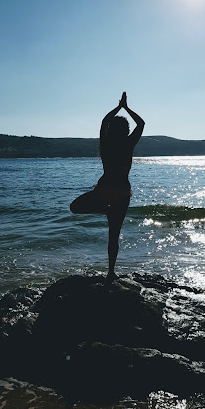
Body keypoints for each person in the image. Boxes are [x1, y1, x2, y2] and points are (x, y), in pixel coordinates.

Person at [70, 92, 145, 281]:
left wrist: (118, 107)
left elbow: (104, 122)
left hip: (105, 191)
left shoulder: (107, 144)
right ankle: (111, 272)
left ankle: (104, 209)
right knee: (114, 235)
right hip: (122, 193)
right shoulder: (128, 144)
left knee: (75, 207)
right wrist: (126, 108)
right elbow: (141, 123)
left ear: (111, 130)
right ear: (126, 130)